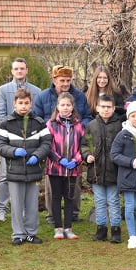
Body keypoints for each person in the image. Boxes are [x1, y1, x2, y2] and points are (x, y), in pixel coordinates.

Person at [34, 65, 91, 225]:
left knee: (74, 184)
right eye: (62, 80)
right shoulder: (43, 96)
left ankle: (73, 213)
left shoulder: (79, 96)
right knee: (53, 187)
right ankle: (53, 215)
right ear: (54, 80)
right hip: (53, 146)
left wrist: (80, 127)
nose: (65, 83)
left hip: (74, 143)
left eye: (68, 80)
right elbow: (37, 118)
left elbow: (87, 116)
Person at [0, 88, 51, 245]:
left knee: (32, 204)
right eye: (20, 103)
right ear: (14, 103)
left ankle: (31, 233)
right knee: (17, 205)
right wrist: (13, 151)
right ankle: (18, 234)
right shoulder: (6, 123)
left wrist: (37, 155)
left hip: (33, 170)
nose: (23, 106)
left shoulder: (39, 123)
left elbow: (46, 143)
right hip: (14, 170)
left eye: (26, 103)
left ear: (31, 103)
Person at [0, 58, 43, 222]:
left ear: (27, 70)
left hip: (30, 140)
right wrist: (11, 132)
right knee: (4, 176)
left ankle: (23, 209)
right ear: (12, 71)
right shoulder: (4, 90)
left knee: (27, 176)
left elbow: (38, 115)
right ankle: (2, 208)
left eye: (22, 68)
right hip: (9, 139)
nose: (19, 71)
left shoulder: (36, 91)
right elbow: (0, 115)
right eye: (16, 69)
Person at [110, 101, 136, 249]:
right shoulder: (122, 135)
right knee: (129, 206)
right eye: (133, 116)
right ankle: (131, 236)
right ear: (128, 118)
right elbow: (114, 155)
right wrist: (130, 162)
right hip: (127, 177)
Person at [82, 95, 123, 243]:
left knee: (113, 201)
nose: (105, 110)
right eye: (103, 107)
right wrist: (87, 155)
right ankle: (101, 229)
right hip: (96, 171)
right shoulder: (91, 126)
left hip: (114, 171)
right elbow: (84, 144)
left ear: (113, 109)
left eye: (108, 107)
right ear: (97, 108)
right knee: (99, 201)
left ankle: (116, 229)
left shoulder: (119, 126)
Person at [45, 92, 85, 240]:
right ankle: (58, 228)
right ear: (57, 106)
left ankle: (68, 227)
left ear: (72, 106)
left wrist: (77, 159)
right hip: (55, 168)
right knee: (56, 197)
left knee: (69, 197)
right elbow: (47, 146)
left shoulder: (78, 125)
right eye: (62, 105)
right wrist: (58, 159)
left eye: (68, 105)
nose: (65, 108)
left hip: (72, 169)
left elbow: (84, 145)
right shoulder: (51, 124)